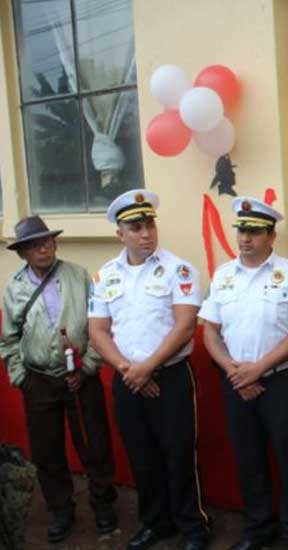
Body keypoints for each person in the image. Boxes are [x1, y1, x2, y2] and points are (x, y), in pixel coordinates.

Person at [88, 190, 211, 550]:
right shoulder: (106, 275)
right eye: (136, 227)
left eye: (150, 225)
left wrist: (147, 370)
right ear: (120, 234)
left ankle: (193, 525)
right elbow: (97, 330)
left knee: (179, 453)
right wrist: (130, 370)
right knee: (141, 455)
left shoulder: (179, 269)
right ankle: (156, 523)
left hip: (170, 377)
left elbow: (185, 326)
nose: (146, 233)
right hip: (127, 378)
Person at [200, 197, 288, 550]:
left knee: (287, 458)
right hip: (235, 382)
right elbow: (209, 331)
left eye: (253, 231)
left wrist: (257, 370)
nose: (245, 238)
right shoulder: (223, 275)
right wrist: (235, 372)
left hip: (278, 382)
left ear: (271, 235)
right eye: (241, 230)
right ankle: (258, 530)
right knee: (248, 460)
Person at [0, 216, 117, 543]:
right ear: (23, 252)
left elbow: (99, 325)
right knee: (47, 450)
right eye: (35, 245)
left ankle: (103, 504)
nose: (44, 248)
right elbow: (8, 340)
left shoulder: (77, 276)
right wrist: (21, 378)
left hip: (81, 376)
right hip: (38, 381)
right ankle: (60, 509)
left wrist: (89, 367)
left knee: (95, 444)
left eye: (48, 241)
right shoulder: (15, 288)